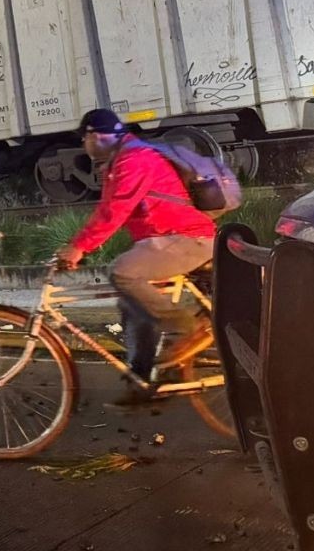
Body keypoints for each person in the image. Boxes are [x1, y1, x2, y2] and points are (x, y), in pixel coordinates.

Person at [54, 109, 217, 408]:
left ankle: (188, 329)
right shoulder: (117, 163)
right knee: (133, 303)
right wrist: (81, 246)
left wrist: (79, 246)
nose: (84, 145)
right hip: (165, 241)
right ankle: (141, 380)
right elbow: (112, 212)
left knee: (123, 272)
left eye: (84, 138)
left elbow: (114, 211)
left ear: (96, 135)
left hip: (187, 239)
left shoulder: (134, 159)